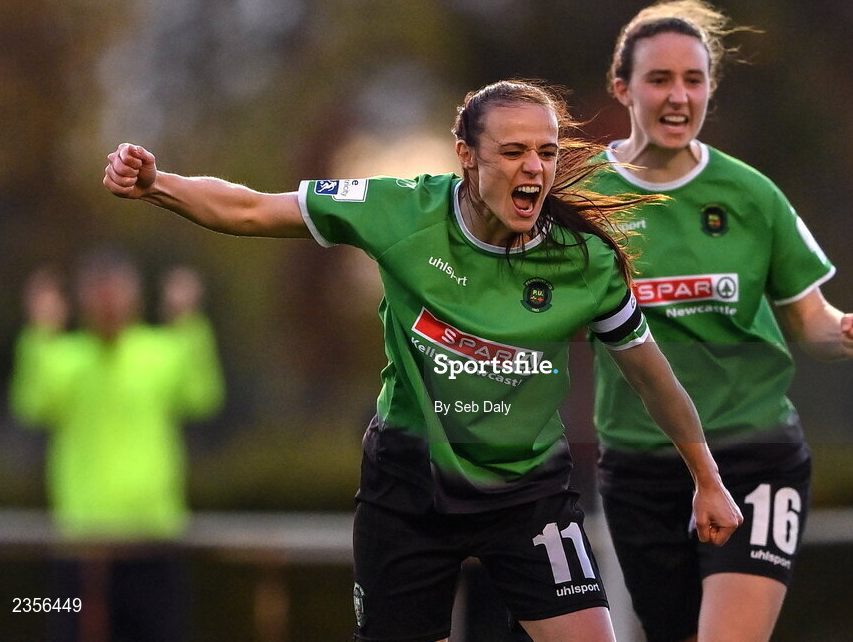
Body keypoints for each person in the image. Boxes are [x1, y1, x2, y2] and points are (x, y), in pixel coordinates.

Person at [102, 79, 743, 642]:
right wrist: (158, 185)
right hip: (408, 489)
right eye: (513, 151)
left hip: (527, 493)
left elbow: (653, 378)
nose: (535, 169)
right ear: (467, 156)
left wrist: (707, 479)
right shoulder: (401, 211)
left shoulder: (584, 263)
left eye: (546, 153)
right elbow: (249, 208)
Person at [585, 0, 853, 642]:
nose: (678, 96)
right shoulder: (580, 198)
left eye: (693, 80)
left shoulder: (751, 194)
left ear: (710, 90)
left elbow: (809, 317)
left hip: (753, 452)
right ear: (623, 88)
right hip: (641, 465)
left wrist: (837, 332)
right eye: (659, 79)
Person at [10, 251, 225, 642]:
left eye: (116, 294)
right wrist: (40, 331)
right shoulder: (64, 358)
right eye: (99, 295)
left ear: (134, 299)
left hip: (153, 542)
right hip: (82, 547)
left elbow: (203, 395)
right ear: (83, 301)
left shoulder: (161, 352)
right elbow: (31, 404)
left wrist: (189, 319)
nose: (108, 305)